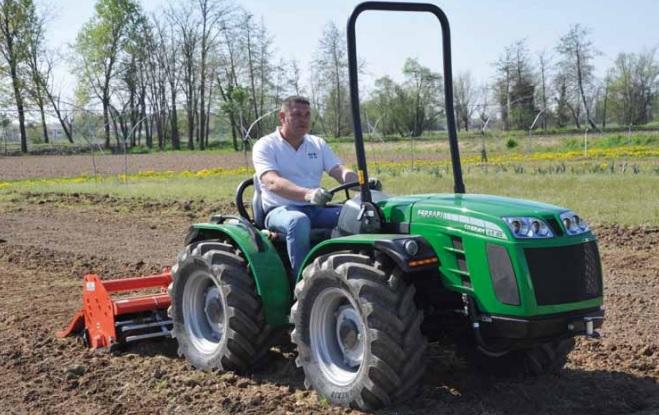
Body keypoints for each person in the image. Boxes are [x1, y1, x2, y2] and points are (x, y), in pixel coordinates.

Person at [252, 96, 357, 276]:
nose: (304, 119)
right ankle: (301, 283)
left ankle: (348, 270)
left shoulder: (317, 144)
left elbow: (338, 170)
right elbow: (272, 181)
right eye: (297, 114)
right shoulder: (266, 145)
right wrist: (308, 194)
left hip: (315, 208)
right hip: (280, 210)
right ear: (282, 117)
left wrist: (360, 182)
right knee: (298, 222)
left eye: (307, 115)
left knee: (358, 215)